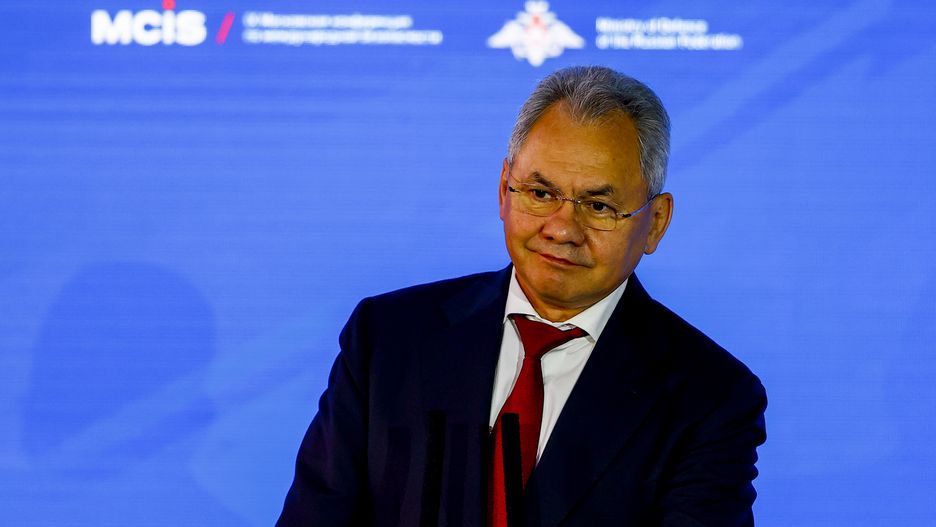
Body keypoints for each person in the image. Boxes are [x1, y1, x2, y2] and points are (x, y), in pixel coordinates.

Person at [276, 66, 767, 526]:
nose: (562, 228)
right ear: (503, 191)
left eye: (598, 205)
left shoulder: (711, 397)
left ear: (655, 222)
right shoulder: (389, 339)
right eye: (540, 193)